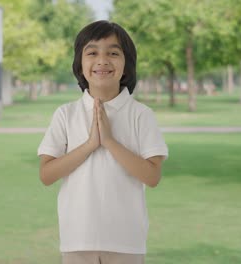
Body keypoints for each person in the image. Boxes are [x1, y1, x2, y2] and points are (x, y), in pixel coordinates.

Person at [37, 20, 168, 264]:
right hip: (77, 239)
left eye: (113, 53)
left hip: (126, 241)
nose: (102, 60)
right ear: (80, 64)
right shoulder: (66, 114)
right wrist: (89, 145)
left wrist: (109, 141)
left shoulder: (141, 115)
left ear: (126, 65)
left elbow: (152, 177)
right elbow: (46, 175)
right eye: (92, 52)